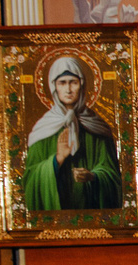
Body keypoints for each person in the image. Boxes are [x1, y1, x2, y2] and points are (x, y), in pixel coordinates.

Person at [23, 56, 121, 211]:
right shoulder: (43, 129)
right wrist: (57, 159)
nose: (68, 89)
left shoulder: (98, 128)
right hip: (55, 217)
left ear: (82, 85)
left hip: (92, 213)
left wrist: (93, 177)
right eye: (62, 83)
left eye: (73, 82)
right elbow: (30, 179)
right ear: (54, 87)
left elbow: (113, 176)